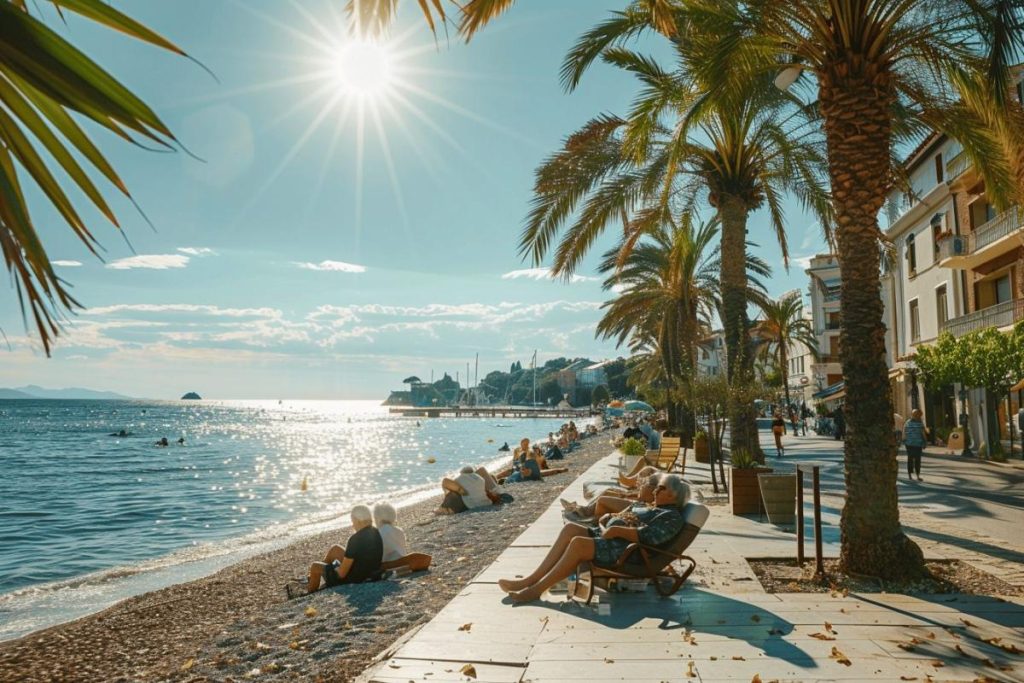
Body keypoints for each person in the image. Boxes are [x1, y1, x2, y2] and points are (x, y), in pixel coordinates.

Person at [497, 474, 691, 603]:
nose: (655, 490)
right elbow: (622, 514)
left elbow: (651, 537)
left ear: (673, 495)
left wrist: (617, 530)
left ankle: (536, 590)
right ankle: (530, 580)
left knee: (579, 544)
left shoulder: (671, 517)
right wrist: (608, 518)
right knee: (571, 529)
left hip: (627, 553)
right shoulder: (650, 506)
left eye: (661, 488)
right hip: (610, 539)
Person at [307, 505, 383, 593]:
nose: (353, 525)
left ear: (358, 520)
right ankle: (313, 577)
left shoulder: (355, 539)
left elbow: (341, 574)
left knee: (315, 566)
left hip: (355, 579)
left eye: (353, 521)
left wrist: (336, 567)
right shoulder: (376, 532)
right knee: (335, 549)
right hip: (370, 573)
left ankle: (310, 591)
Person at [374, 502, 432, 573]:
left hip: (388, 566)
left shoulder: (378, 533)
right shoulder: (399, 531)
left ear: (377, 517)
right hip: (403, 562)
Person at [903, 408, 927, 481]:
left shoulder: (908, 422)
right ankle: (915, 475)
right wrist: (925, 442)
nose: (917, 416)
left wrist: (904, 440)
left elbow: (904, 432)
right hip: (915, 444)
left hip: (912, 444)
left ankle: (913, 475)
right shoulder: (919, 423)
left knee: (912, 459)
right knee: (916, 459)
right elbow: (923, 434)